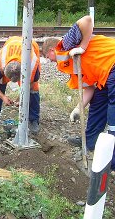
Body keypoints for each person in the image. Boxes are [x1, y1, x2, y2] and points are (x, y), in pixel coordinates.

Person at [42, 15, 115, 170]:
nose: (49, 61)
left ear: (51, 50)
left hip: (112, 64)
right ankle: (90, 142)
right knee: (98, 102)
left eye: (47, 57)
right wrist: (78, 108)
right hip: (105, 76)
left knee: (113, 113)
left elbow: (87, 20)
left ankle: (112, 158)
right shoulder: (70, 63)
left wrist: (82, 46)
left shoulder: (66, 46)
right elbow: (89, 87)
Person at [0, 36, 41, 135]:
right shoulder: (2, 62)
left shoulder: (32, 64)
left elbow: (31, 83)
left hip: (30, 44)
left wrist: (21, 97)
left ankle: (33, 120)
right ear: (4, 69)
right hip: (12, 42)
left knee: (34, 89)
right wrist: (3, 97)